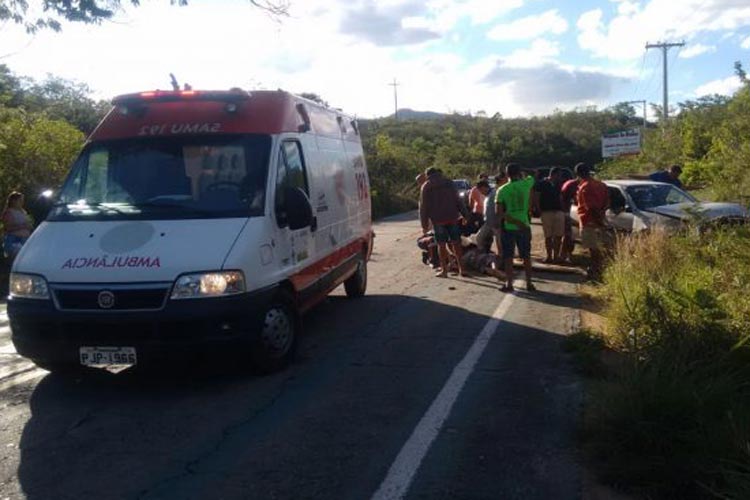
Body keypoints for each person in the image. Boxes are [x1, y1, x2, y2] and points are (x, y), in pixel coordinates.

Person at [420, 167, 469, 278]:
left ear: (428, 175)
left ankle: (444, 271)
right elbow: (458, 200)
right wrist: (465, 215)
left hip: (438, 220)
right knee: (456, 243)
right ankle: (462, 269)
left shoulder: (426, 186)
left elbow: (424, 207)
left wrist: (424, 224)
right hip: (452, 217)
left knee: (441, 245)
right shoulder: (449, 182)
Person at [496, 163, 536, 293]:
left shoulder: (502, 190)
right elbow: (534, 173)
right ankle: (529, 283)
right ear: (519, 173)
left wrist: (514, 221)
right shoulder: (526, 184)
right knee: (526, 256)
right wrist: (524, 171)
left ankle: (509, 283)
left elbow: (499, 212)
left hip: (509, 227)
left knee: (508, 257)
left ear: (506, 174)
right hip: (524, 225)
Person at [575, 163, 610, 280]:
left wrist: (598, 220)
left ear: (578, 174)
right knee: (598, 248)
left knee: (594, 250)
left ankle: (596, 272)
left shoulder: (585, 187)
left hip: (589, 222)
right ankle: (598, 271)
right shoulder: (601, 185)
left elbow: (591, 207)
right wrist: (602, 218)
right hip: (599, 220)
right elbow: (606, 203)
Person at [533, 167, 566, 263]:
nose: (561, 177)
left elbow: (561, 197)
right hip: (546, 211)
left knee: (559, 235)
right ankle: (549, 256)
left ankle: (556, 256)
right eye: (559, 175)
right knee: (548, 235)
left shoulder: (560, 184)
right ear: (554, 174)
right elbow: (536, 197)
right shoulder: (542, 183)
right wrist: (538, 209)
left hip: (559, 211)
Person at [2, 192, 33, 260]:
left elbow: (26, 223)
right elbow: (7, 228)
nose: (22, 202)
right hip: (14, 240)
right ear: (13, 201)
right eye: (20, 200)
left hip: (25, 239)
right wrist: (23, 226)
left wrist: (29, 226)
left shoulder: (23, 211)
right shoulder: (9, 212)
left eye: (22, 200)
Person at [560, 173, 581, 263]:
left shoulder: (578, 185)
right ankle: (563, 255)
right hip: (567, 212)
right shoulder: (570, 185)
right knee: (567, 235)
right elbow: (562, 198)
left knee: (570, 236)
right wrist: (565, 212)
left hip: (574, 212)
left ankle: (567, 255)